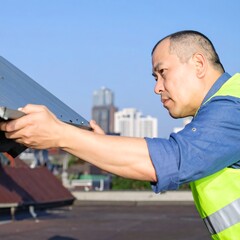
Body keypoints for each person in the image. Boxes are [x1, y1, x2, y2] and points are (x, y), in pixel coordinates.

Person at [1, 30, 240, 239]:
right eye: (155, 78)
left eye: (163, 72)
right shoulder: (219, 113)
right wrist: (95, 144)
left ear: (198, 64)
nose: (157, 87)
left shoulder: (233, 106)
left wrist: (61, 135)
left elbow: (173, 160)